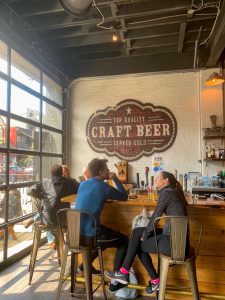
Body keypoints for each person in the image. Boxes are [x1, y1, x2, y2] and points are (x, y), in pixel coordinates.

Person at [105, 171, 188, 294]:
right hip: (180, 240)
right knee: (137, 232)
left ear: (166, 181)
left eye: (159, 178)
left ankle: (138, 276)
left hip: (173, 243)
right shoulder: (174, 192)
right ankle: (127, 273)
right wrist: (145, 233)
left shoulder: (167, 192)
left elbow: (156, 215)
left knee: (136, 243)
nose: (156, 180)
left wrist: (145, 235)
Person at [75, 158, 129, 283]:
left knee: (107, 236)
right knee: (124, 241)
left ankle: (83, 265)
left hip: (76, 234)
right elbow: (124, 196)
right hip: (91, 236)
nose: (109, 171)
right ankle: (116, 273)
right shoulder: (104, 186)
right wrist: (115, 178)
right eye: (107, 170)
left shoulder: (83, 184)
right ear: (100, 172)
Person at [27, 164, 79, 248]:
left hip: (46, 220)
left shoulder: (44, 182)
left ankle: (53, 241)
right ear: (62, 172)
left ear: (51, 173)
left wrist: (41, 196)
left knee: (48, 211)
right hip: (63, 219)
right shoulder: (70, 182)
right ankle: (70, 246)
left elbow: (29, 191)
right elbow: (81, 189)